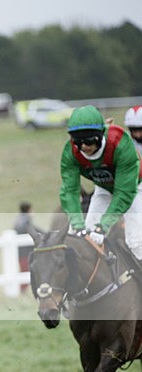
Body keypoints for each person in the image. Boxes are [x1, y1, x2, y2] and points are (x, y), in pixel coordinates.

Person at [60, 105, 142, 262]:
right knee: (81, 237)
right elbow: (69, 191)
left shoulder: (121, 144)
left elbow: (124, 193)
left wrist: (103, 226)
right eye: (78, 141)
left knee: (135, 242)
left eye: (89, 140)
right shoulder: (70, 152)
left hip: (135, 187)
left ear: (100, 134)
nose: (84, 146)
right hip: (104, 188)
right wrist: (77, 224)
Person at [12, 201, 40, 292]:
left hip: (20, 251)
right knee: (26, 271)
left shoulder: (18, 220)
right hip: (25, 252)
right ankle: (22, 291)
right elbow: (34, 230)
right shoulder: (26, 221)